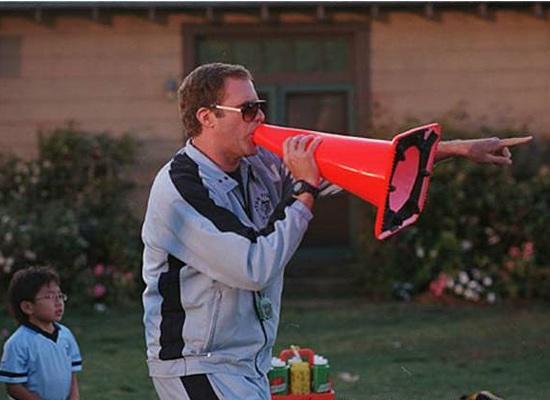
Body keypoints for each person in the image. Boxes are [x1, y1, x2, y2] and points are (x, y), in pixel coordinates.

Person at [141, 62, 531, 400]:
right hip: (197, 366)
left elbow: (359, 164)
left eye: (260, 107)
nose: (259, 118)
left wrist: (458, 149)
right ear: (207, 117)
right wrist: (304, 191)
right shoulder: (180, 188)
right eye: (247, 110)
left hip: (244, 363)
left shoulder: (256, 163)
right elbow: (252, 267)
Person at [0, 266, 82, 400]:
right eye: (50, 297)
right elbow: (13, 387)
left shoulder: (66, 335)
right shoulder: (17, 343)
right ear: (28, 307)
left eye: (60, 295)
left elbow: (72, 375)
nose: (58, 302)